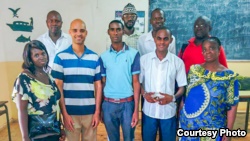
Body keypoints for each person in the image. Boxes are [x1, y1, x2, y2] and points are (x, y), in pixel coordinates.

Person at [179, 37, 239, 141]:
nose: (208, 52)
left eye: (212, 48)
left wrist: (228, 132)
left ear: (219, 50)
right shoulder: (194, 70)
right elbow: (186, 95)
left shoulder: (229, 77)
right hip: (188, 127)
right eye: (205, 49)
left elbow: (232, 106)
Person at [51, 19, 102, 141]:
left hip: (90, 113)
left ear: (86, 33)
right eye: (75, 30)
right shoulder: (60, 58)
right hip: (70, 114)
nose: (78, 33)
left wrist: (97, 112)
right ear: (69, 32)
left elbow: (98, 86)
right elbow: (58, 88)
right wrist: (65, 114)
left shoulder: (95, 58)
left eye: (82, 31)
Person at [140, 26, 187, 141]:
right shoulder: (144, 60)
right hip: (149, 111)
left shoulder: (178, 62)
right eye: (159, 38)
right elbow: (138, 84)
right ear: (154, 40)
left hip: (168, 112)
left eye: (165, 39)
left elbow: (182, 87)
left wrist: (172, 97)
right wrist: (145, 94)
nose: (162, 42)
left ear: (170, 41)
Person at [12, 40, 64, 141]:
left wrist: (61, 127)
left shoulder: (49, 77)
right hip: (36, 135)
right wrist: (25, 137)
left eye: (43, 53)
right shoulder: (24, 79)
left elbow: (55, 105)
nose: (41, 57)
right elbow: (22, 111)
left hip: (54, 132)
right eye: (36, 55)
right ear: (30, 59)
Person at [100, 20, 140, 141]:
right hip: (109, 104)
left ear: (123, 31)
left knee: (129, 138)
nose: (115, 33)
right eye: (112, 30)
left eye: (118, 29)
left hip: (127, 104)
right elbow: (102, 83)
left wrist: (136, 110)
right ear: (108, 32)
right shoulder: (103, 57)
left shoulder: (134, 54)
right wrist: (102, 108)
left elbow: (136, 82)